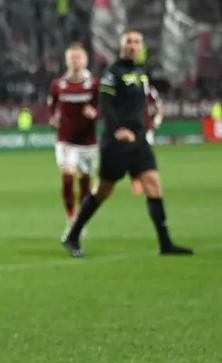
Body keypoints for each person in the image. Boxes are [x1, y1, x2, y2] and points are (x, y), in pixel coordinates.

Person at [62, 30, 193, 257]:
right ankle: (73, 235)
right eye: (128, 42)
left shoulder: (141, 72)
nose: (133, 45)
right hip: (117, 143)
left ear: (141, 47)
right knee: (102, 191)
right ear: (121, 46)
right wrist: (118, 129)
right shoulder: (113, 73)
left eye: (137, 42)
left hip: (139, 142)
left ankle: (165, 243)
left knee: (154, 185)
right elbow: (105, 103)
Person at [47, 43, 98, 230]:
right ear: (67, 61)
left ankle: (80, 223)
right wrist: (52, 118)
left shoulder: (95, 84)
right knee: (67, 177)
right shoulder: (58, 84)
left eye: (78, 57)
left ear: (85, 60)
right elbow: (51, 105)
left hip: (88, 142)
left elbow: (106, 107)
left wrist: (96, 113)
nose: (75, 61)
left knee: (85, 184)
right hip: (66, 140)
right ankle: (71, 217)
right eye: (72, 58)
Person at [132, 85, 163, 194]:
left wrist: (157, 120)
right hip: (132, 130)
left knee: (147, 158)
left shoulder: (148, 89)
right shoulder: (126, 88)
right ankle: (137, 181)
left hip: (146, 130)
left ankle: (147, 181)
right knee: (133, 156)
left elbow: (159, 106)